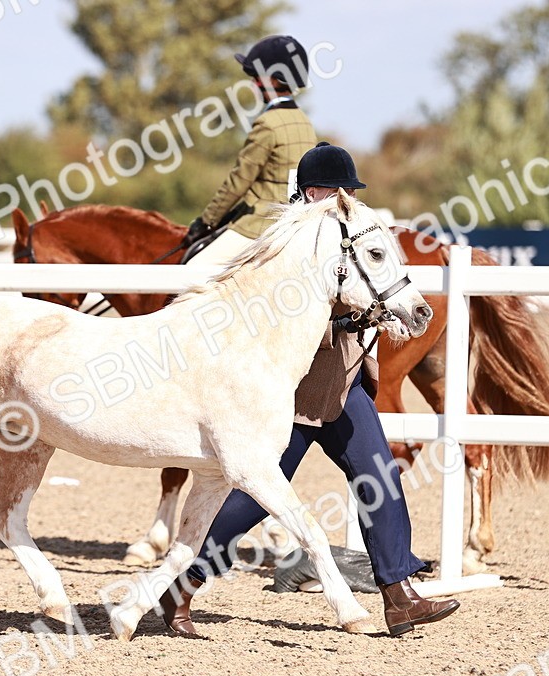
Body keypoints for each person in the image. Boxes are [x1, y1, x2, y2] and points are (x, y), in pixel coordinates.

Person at [158, 142, 461, 638]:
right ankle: (181, 585)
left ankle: (399, 595)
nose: (345, 196)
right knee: (250, 501)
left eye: (350, 189)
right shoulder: (288, 240)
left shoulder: (345, 229)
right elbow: (282, 315)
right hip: (292, 395)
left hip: (344, 385)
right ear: (313, 190)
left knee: (380, 476)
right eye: (337, 188)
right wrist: (348, 314)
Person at [184, 35, 318, 265]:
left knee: (193, 268)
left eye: (257, 77)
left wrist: (207, 221)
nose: (254, 83)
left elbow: (238, 182)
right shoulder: (304, 122)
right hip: (295, 222)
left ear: (274, 80)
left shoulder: (267, 123)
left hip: (261, 224)